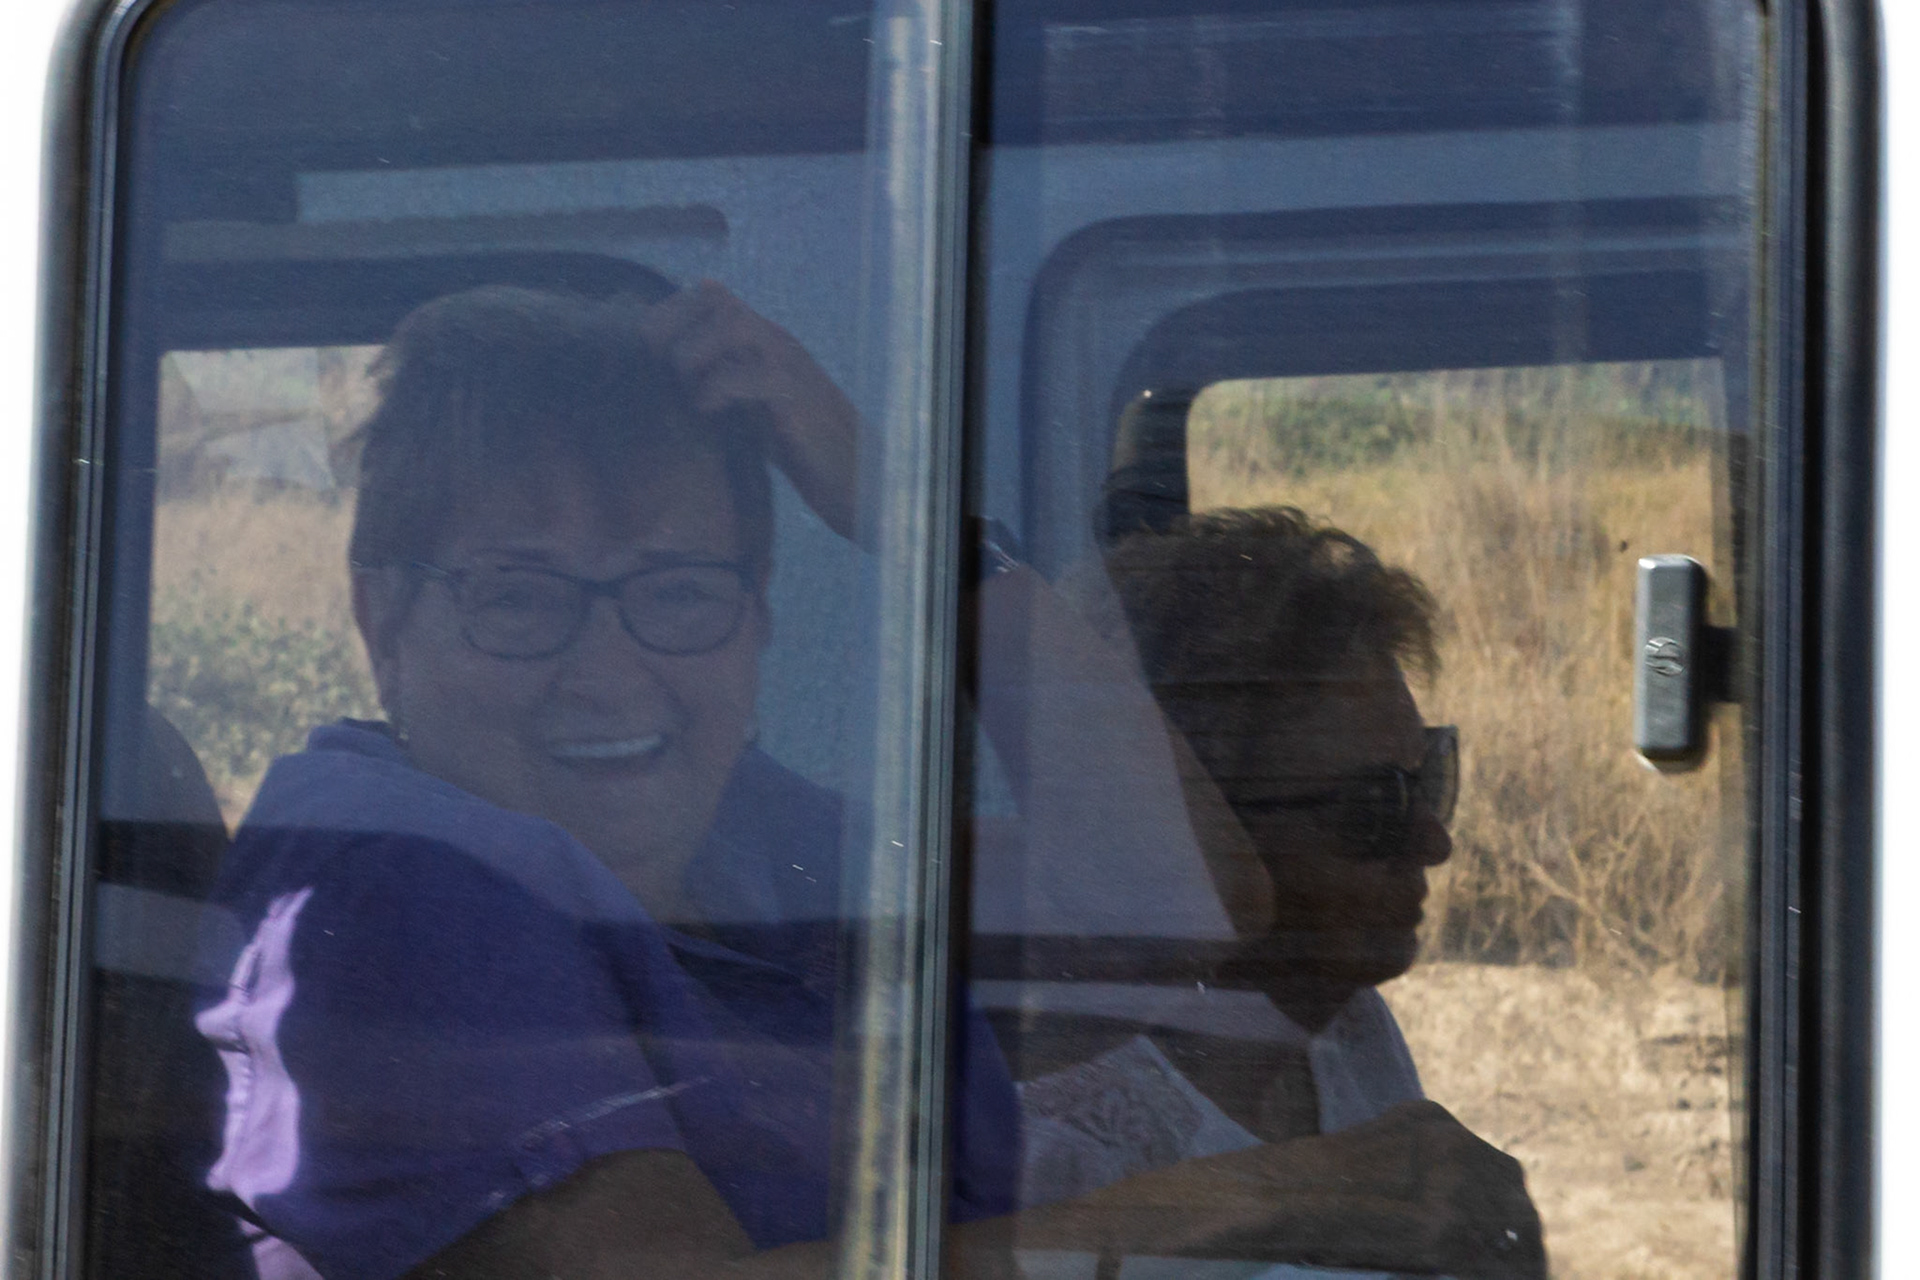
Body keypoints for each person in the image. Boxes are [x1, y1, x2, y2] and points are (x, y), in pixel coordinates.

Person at [195, 283, 1545, 1280]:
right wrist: (1265, 1199)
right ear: (383, 620)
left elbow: (1184, 899)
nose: (608, 674)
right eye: (519, 598)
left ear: (760, 614)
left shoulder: (738, 841)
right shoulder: (394, 895)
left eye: (676, 591)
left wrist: (920, 518)